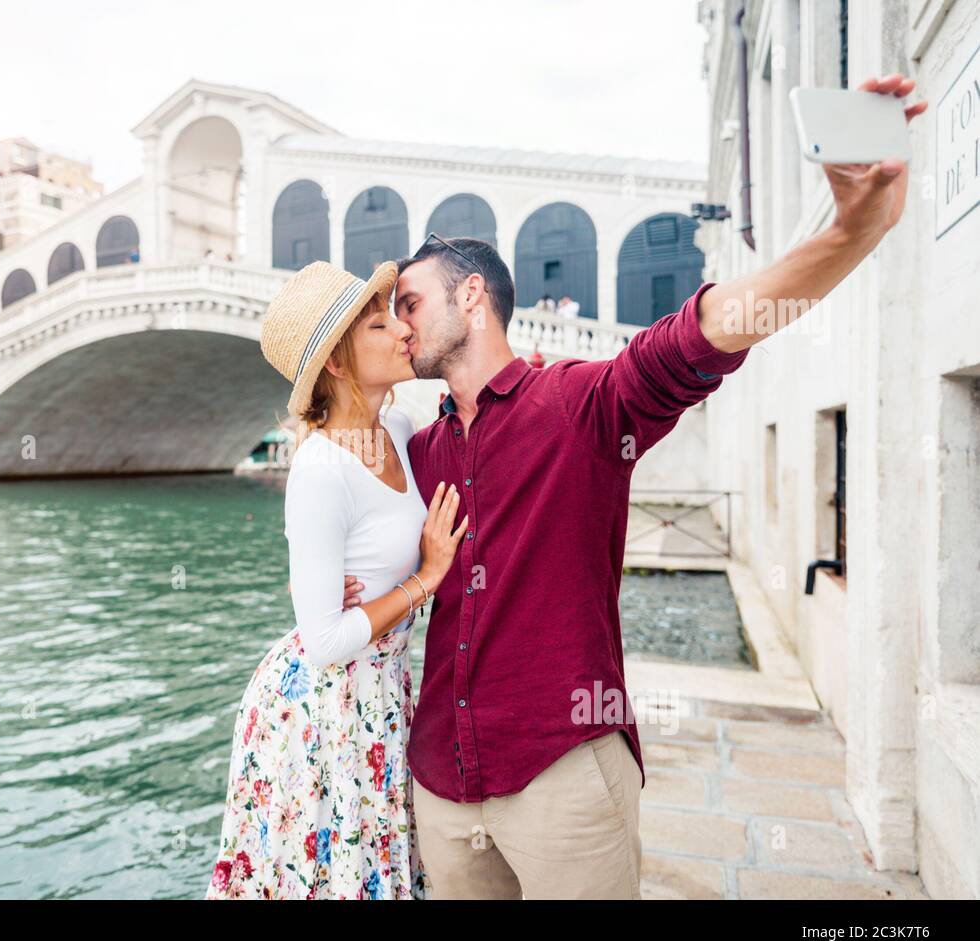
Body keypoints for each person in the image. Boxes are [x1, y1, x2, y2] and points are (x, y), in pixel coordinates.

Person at [339, 74, 926, 899]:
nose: (398, 323)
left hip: (563, 780)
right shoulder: (417, 448)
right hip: (438, 780)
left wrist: (853, 229)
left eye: (409, 301)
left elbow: (705, 331)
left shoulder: (581, 404)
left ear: (472, 298)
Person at [206, 260, 469, 900]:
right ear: (338, 363)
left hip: (381, 695)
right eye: (381, 324)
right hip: (321, 710)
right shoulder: (320, 467)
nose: (404, 331)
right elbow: (322, 639)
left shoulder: (400, 431)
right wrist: (423, 580)